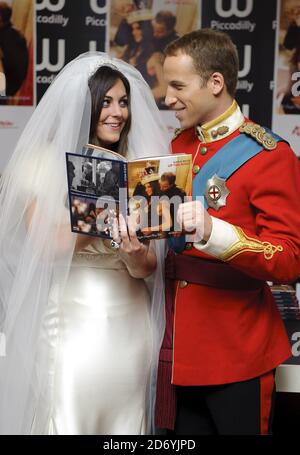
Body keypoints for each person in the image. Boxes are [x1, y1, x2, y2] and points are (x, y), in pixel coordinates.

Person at [0, 51, 170, 435]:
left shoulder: (141, 168)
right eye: (106, 101)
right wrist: (97, 217)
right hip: (73, 320)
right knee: (69, 413)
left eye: (123, 102)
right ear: (85, 105)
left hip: (131, 322)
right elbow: (45, 247)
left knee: (127, 423)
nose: (117, 112)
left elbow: (148, 268)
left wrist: (135, 251)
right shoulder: (42, 164)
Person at [155, 29, 300, 435]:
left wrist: (213, 231)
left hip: (236, 351)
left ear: (215, 83)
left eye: (178, 86)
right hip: (175, 350)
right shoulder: (178, 146)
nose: (167, 99)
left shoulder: (270, 156)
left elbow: (290, 260)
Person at [0, 1, 28, 101]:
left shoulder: (8, 37)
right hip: (10, 88)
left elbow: (12, 66)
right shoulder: (15, 33)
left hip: (6, 89)